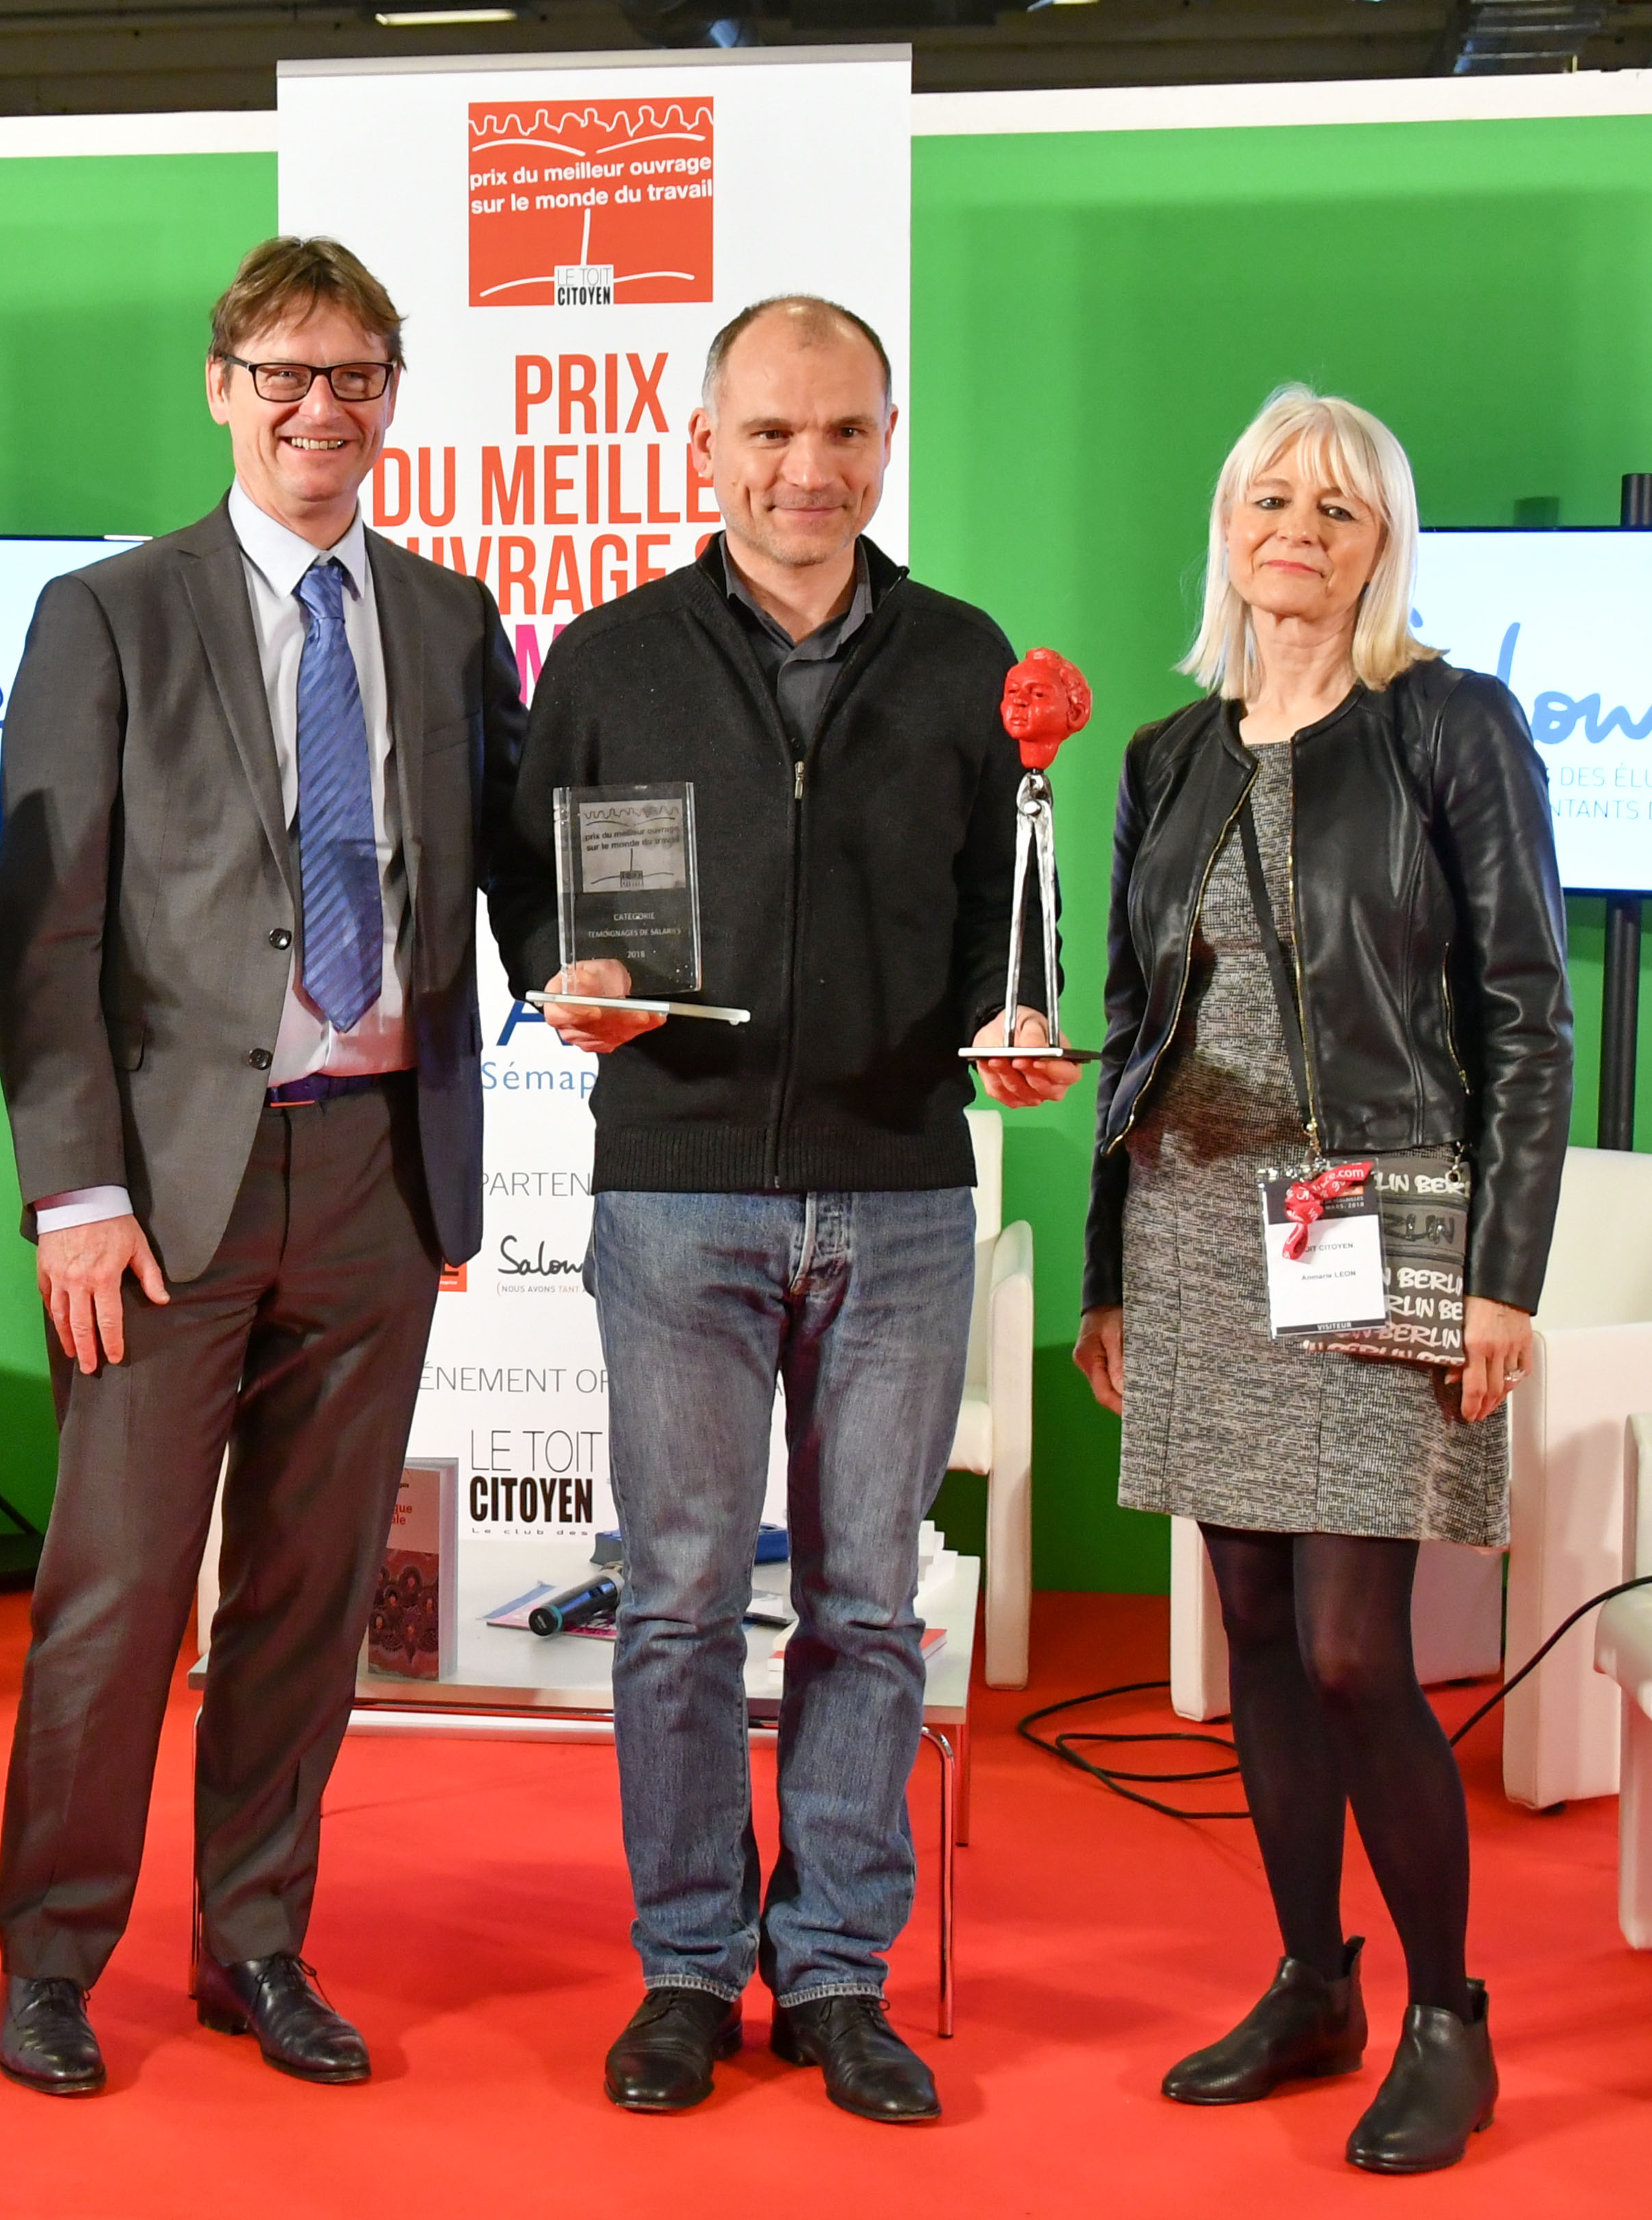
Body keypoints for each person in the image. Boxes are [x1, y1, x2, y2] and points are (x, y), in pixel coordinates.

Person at [0, 235, 551, 2096]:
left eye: (360, 374)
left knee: (313, 1597)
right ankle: (55, 1959)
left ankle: (255, 1943)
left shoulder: (456, 619)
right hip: (163, 1193)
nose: (324, 407)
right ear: (223, 385)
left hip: (380, 1173)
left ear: (394, 396)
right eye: (286, 372)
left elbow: (529, 887)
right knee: (120, 1593)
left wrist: (620, 972)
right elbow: (49, 930)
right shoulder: (110, 612)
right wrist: (74, 1188)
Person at [509, 295, 1072, 2125]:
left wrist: (1025, 1028)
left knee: (864, 1607)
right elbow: (534, 888)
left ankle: (836, 1970)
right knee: (673, 1600)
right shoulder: (604, 656)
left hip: (905, 1192)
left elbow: (1021, 918)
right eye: (769, 432)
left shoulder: (970, 659)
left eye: (840, 432)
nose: (805, 467)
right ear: (704, 446)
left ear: (886, 441)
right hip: (674, 1188)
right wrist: (558, 972)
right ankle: (685, 1965)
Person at [1075, 384, 1567, 2175]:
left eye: (1338, 507)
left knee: (1363, 1645)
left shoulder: (1448, 723)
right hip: (1202, 1216)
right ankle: (1311, 1977)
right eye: (1270, 497)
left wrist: (1504, 1274)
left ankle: (1451, 2013)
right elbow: (1133, 1032)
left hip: (1368, 1201)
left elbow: (1526, 1008)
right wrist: (1110, 1271)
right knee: (1263, 1632)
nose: (1298, 526)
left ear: (1382, 543)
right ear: (1228, 524)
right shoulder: (1166, 756)